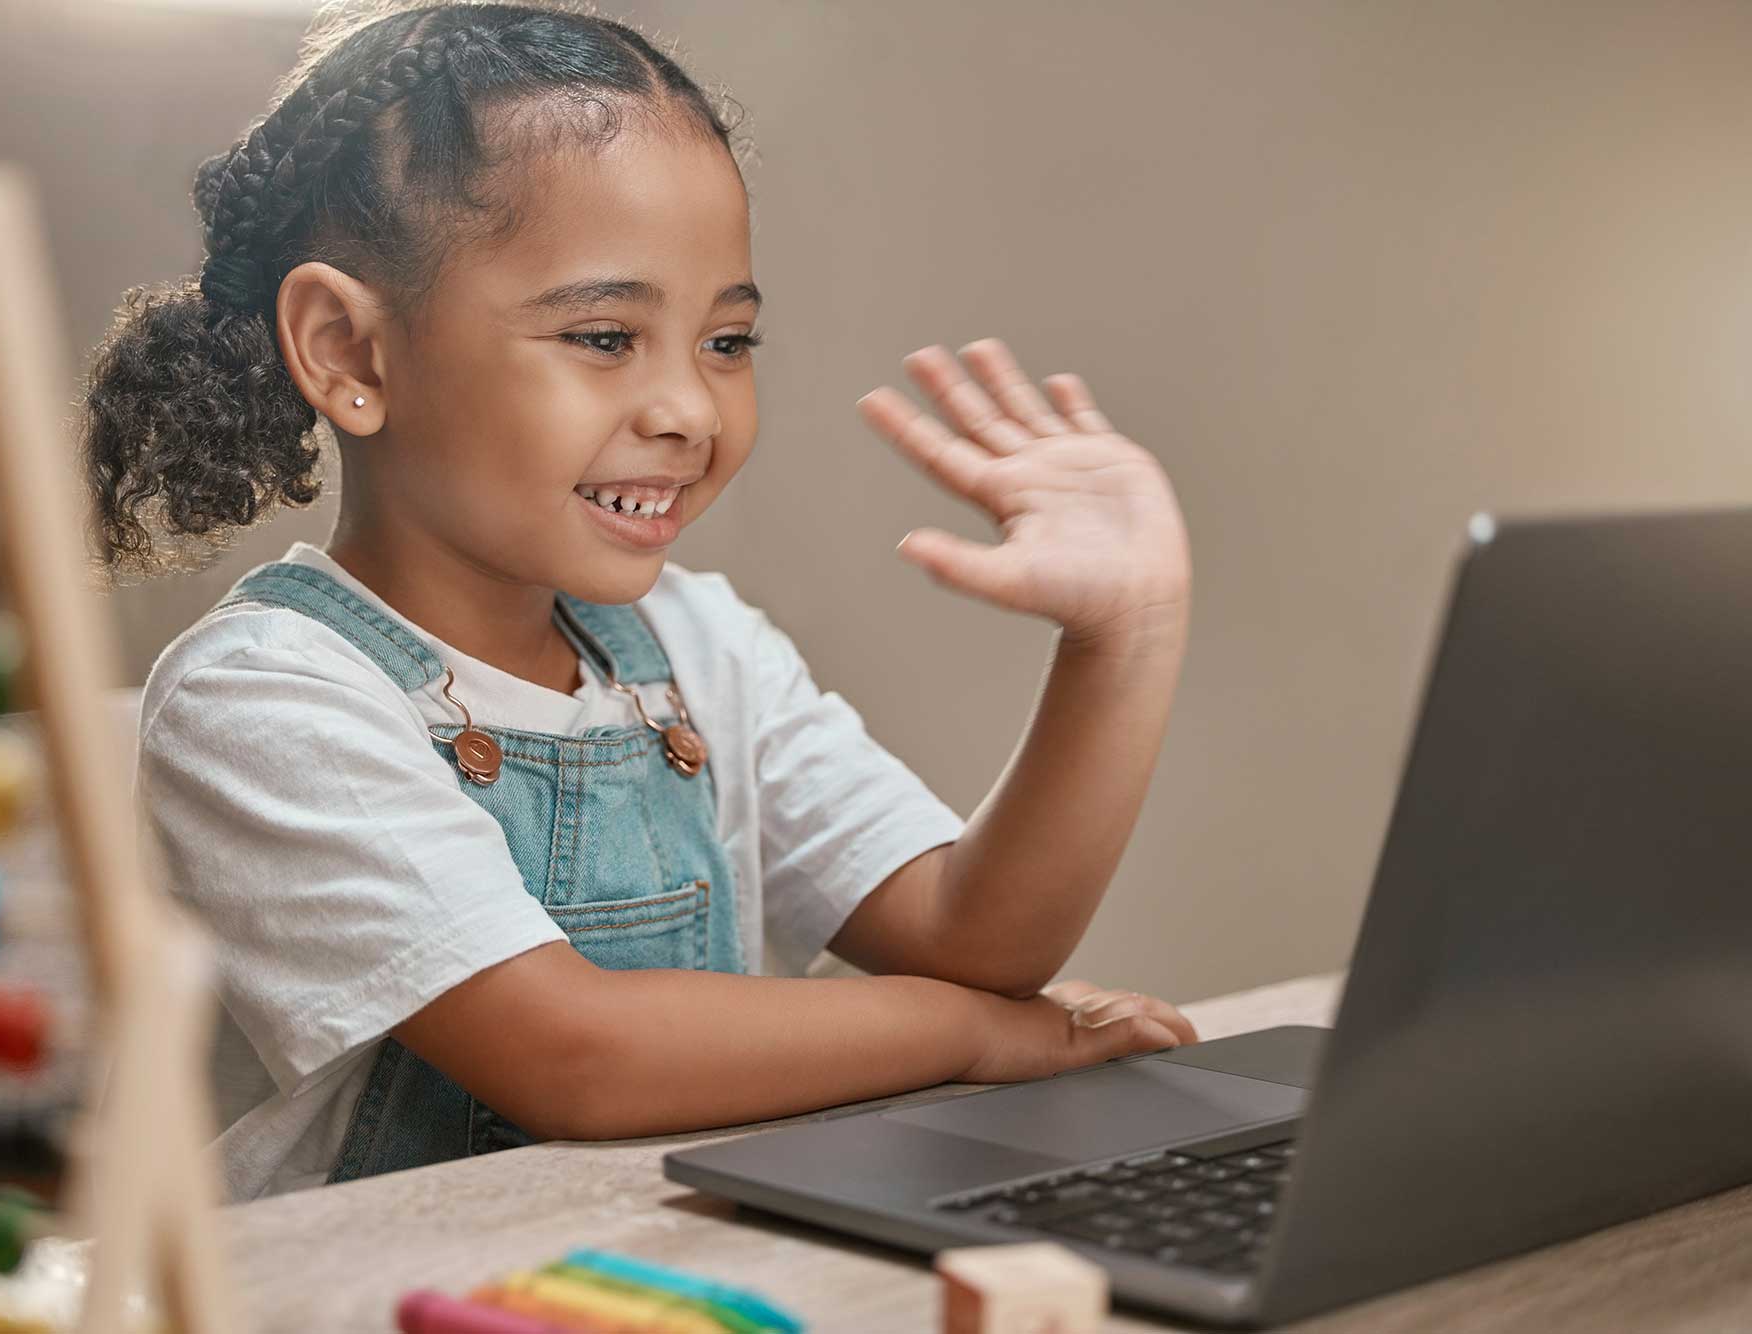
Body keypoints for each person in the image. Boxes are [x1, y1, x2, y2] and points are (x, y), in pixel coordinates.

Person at [83, 0, 1198, 1202]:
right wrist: (974, 1034)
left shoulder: (700, 648)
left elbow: (972, 937)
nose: (690, 410)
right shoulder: (265, 697)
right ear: (349, 354)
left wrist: (1119, 636)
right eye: (606, 335)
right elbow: (575, 1054)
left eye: (726, 342)